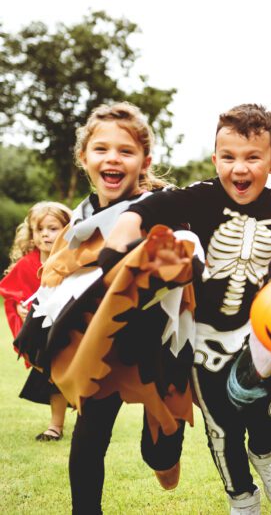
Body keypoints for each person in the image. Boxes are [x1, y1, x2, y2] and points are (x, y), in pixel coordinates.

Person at [107, 103, 271, 515]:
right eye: (229, 157)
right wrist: (123, 233)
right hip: (204, 342)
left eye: (253, 157)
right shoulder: (196, 199)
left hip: (258, 336)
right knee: (222, 428)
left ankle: (266, 453)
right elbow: (145, 210)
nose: (240, 168)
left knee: (269, 412)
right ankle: (241, 496)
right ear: (215, 159)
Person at [14, 102, 198, 514]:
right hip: (102, 350)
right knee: (88, 439)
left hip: (158, 354)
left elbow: (189, 262)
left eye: (126, 151)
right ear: (84, 158)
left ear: (144, 161)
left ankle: (164, 455)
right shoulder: (76, 226)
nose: (112, 158)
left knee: (162, 459)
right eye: (101, 149)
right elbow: (57, 278)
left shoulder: (162, 210)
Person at [0, 201, 72, 441]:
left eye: (52, 228)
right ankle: (59, 421)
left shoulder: (73, 260)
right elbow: (14, 294)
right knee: (52, 372)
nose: (45, 234)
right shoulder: (27, 264)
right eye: (39, 229)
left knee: (60, 372)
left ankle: (57, 426)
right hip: (39, 335)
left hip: (68, 331)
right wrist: (21, 309)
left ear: (66, 229)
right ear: (31, 234)